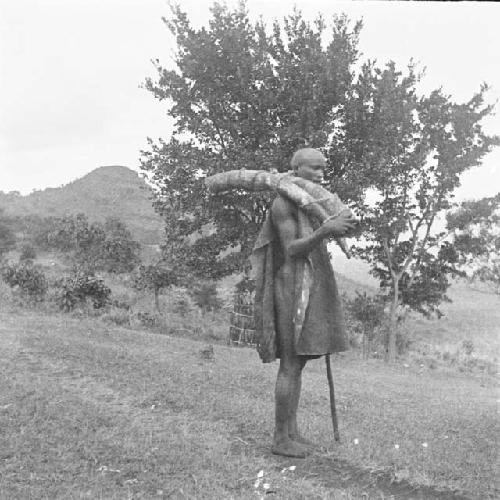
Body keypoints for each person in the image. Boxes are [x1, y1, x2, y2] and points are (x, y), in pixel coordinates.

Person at [252, 148, 357, 458]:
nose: (321, 174)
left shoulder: (309, 202)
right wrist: (327, 230)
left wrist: (333, 226)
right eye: (314, 168)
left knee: (298, 365)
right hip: (290, 285)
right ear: (296, 167)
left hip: (310, 284)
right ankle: (279, 438)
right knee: (289, 364)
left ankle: (292, 432)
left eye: (324, 169)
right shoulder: (282, 203)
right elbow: (293, 248)